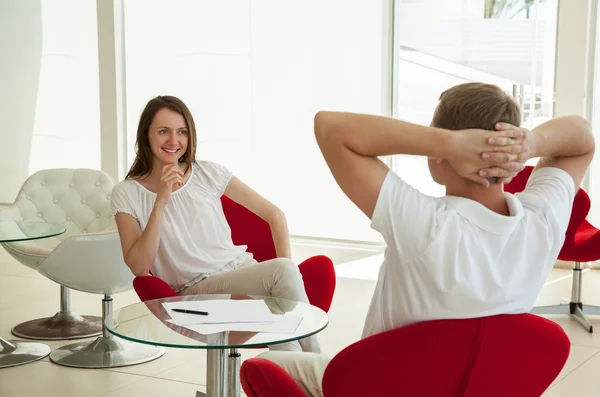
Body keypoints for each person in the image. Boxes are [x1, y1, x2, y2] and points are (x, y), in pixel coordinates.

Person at [257, 82, 595, 396]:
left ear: (441, 152)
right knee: (312, 354)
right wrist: (530, 144)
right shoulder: (542, 220)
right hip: (477, 386)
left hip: (380, 387)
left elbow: (330, 127)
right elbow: (581, 140)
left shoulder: (424, 225)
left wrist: (448, 142)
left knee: (267, 363)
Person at [110, 95, 320, 353]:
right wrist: (161, 201)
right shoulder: (127, 192)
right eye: (163, 131)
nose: (174, 141)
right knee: (282, 284)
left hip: (242, 273)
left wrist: (281, 290)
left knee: (284, 331)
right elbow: (139, 267)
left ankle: (302, 379)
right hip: (196, 290)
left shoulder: (208, 173)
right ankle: (319, 363)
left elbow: (274, 214)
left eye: (182, 132)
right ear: (146, 136)